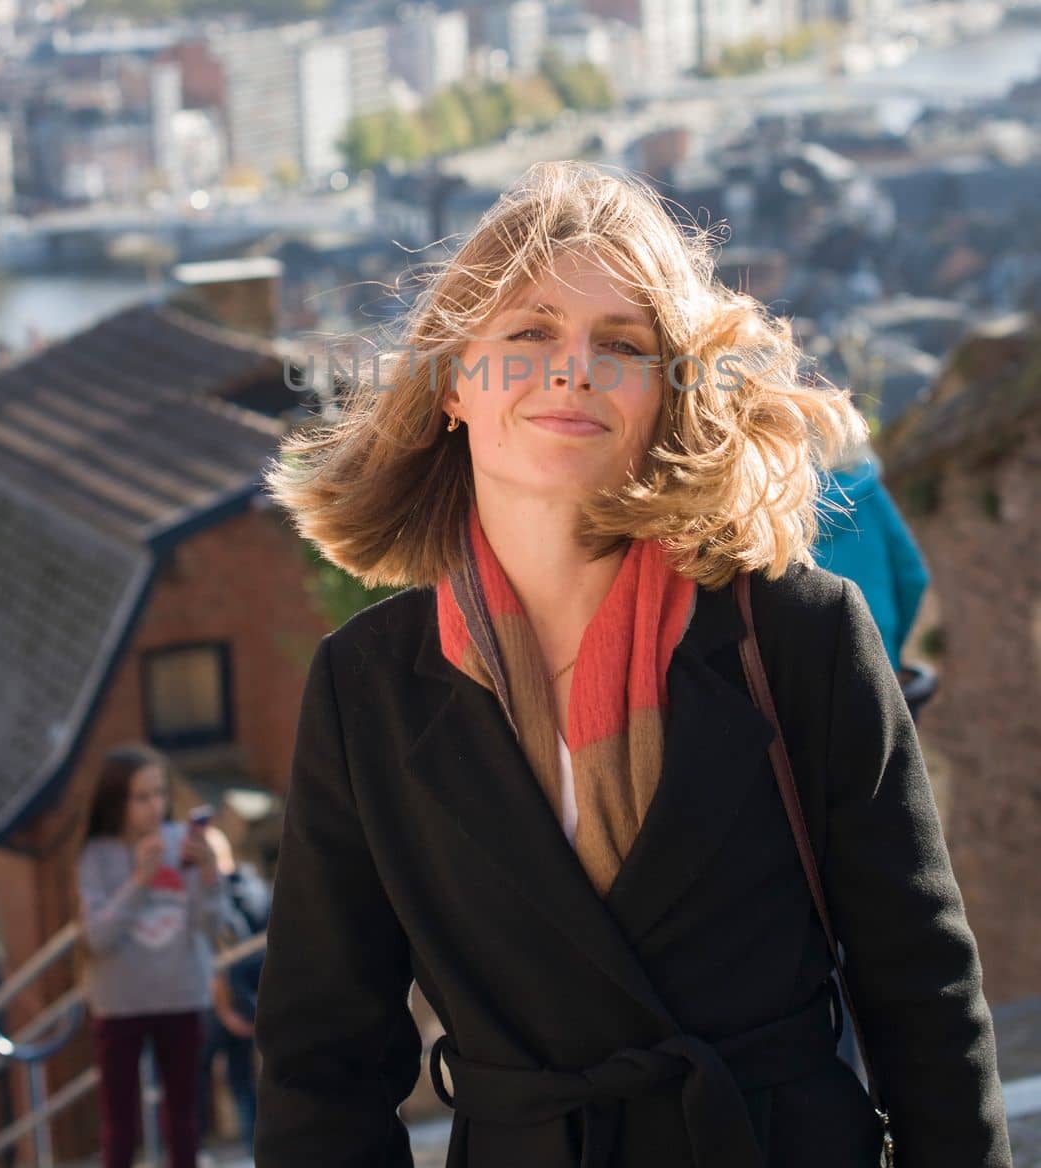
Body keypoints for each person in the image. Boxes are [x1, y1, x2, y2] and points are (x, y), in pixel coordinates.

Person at [254, 160, 1011, 1167]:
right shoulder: (368, 688)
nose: (573, 368)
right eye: (529, 332)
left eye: (620, 344)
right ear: (450, 385)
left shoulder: (797, 632)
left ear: (665, 398)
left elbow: (923, 999)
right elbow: (321, 1063)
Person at [75, 745, 230, 1168]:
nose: (154, 806)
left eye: (159, 793)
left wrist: (211, 876)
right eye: (141, 796)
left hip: (181, 993)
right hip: (120, 1002)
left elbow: (209, 927)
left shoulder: (185, 842)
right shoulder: (97, 855)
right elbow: (99, 936)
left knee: (184, 1117)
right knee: (120, 1122)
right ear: (116, 801)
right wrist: (140, 880)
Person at [812, 440, 930, 673]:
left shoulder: (768, 508)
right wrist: (891, 642)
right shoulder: (866, 488)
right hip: (877, 647)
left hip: (803, 662)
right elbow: (914, 577)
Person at [197, 826, 269, 1155]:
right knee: (241, 1080)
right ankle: (253, 1149)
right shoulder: (255, 888)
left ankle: (193, 1151)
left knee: (202, 1078)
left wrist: (227, 1009)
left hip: (223, 1004)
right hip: (245, 1004)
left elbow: (225, 958)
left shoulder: (219, 894)